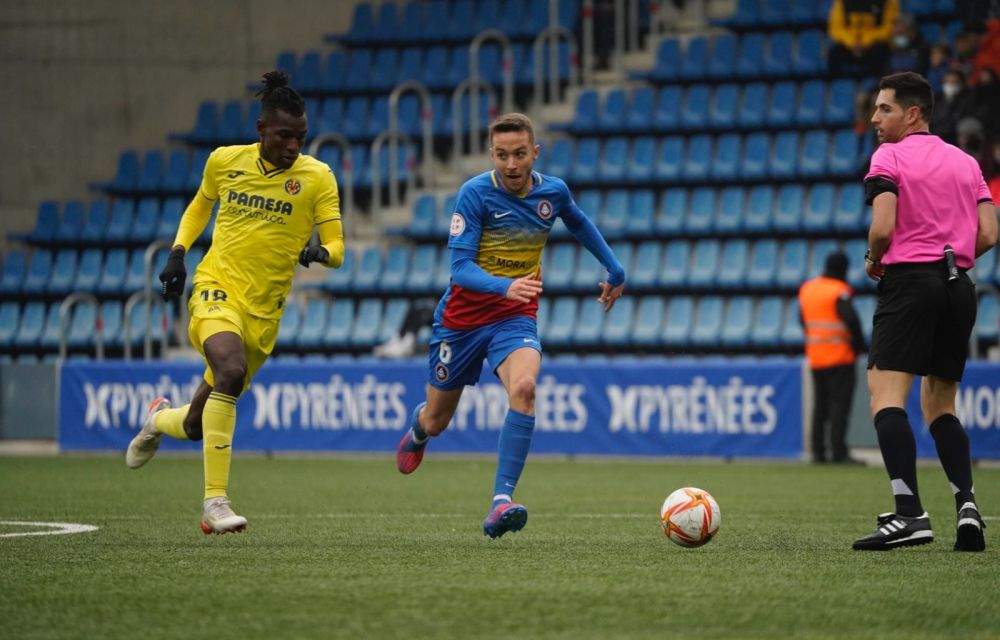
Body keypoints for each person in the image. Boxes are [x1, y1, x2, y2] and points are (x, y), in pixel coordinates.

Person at [124, 71, 345, 535]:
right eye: (283, 136)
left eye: (300, 137)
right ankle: (215, 502)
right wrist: (178, 253)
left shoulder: (318, 178)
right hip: (217, 287)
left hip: (263, 315)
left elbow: (338, 247)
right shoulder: (224, 161)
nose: (293, 146)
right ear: (261, 129)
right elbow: (200, 206)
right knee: (229, 369)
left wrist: (320, 253)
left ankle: (158, 420)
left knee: (196, 424)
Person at [395, 113, 626, 539]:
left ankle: (501, 501)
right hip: (461, 322)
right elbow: (460, 269)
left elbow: (576, 220)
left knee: (524, 389)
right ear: (492, 155)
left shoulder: (553, 192)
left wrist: (614, 267)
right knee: (438, 421)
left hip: (514, 316)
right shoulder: (475, 194)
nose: (512, 164)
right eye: (502, 155)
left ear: (535, 152)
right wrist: (506, 286)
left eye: (520, 154)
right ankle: (420, 427)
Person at [853, 71, 997, 552]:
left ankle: (909, 513)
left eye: (885, 109)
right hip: (959, 286)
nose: (875, 118)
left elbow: (883, 227)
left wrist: (874, 258)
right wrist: (952, 258)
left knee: (886, 397)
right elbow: (989, 233)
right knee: (941, 405)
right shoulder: (966, 162)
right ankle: (967, 507)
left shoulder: (888, 156)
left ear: (913, 113)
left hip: (910, 283)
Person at [798, 251, 865, 465]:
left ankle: (817, 452)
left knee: (820, 406)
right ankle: (838, 452)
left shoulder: (808, 289)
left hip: (816, 356)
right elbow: (851, 320)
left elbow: (802, 320)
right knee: (839, 406)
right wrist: (859, 346)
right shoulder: (839, 291)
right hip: (840, 357)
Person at [827, 0, 898, 77]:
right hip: (849, 44)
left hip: (873, 45)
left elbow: (889, 27)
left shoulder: (888, 2)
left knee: (882, 51)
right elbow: (835, 28)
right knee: (834, 53)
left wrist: (864, 42)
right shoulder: (842, 2)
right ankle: (837, 81)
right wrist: (852, 42)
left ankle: (877, 80)